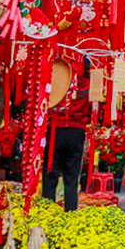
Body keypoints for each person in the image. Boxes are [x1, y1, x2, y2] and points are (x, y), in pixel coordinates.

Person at [43, 60, 90, 211]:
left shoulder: (56, 78)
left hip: (56, 130)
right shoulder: (87, 83)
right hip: (76, 132)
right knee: (72, 178)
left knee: (50, 176)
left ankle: (47, 212)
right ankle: (70, 213)